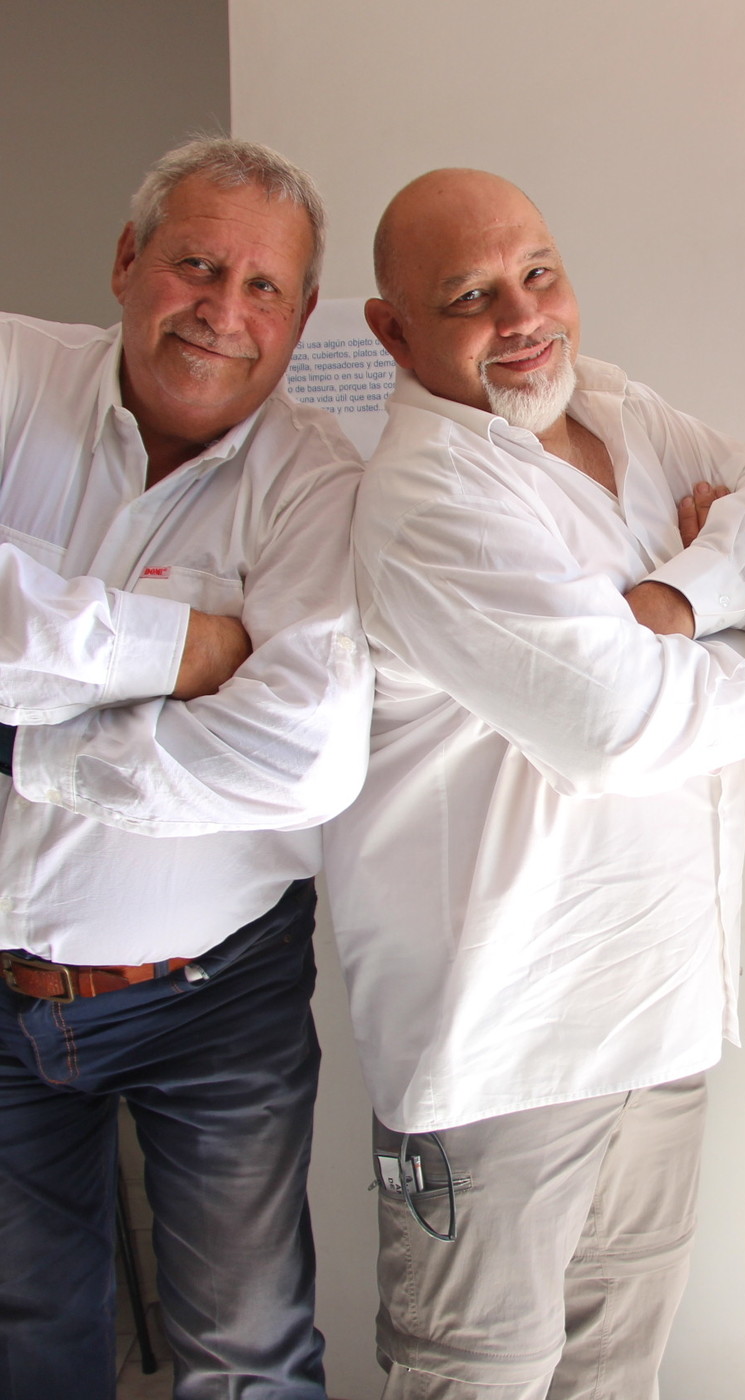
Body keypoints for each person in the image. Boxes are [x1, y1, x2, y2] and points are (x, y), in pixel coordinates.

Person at [323, 167, 745, 1400]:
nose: (522, 317)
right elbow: (615, 726)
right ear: (392, 329)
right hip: (502, 1048)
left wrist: (678, 599)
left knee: (615, 1376)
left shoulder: (620, 409)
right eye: (470, 296)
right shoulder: (429, 493)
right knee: (475, 1378)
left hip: (659, 1018)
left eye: (537, 274)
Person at [0, 137, 371, 1400]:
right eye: (196, 265)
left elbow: (301, 751)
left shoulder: (319, 481)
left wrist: (34, 743)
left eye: (263, 286)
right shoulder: (11, 372)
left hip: (215, 997)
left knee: (247, 1351)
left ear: (302, 315)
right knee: (27, 1336)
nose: (223, 310)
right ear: (126, 259)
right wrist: (190, 648)